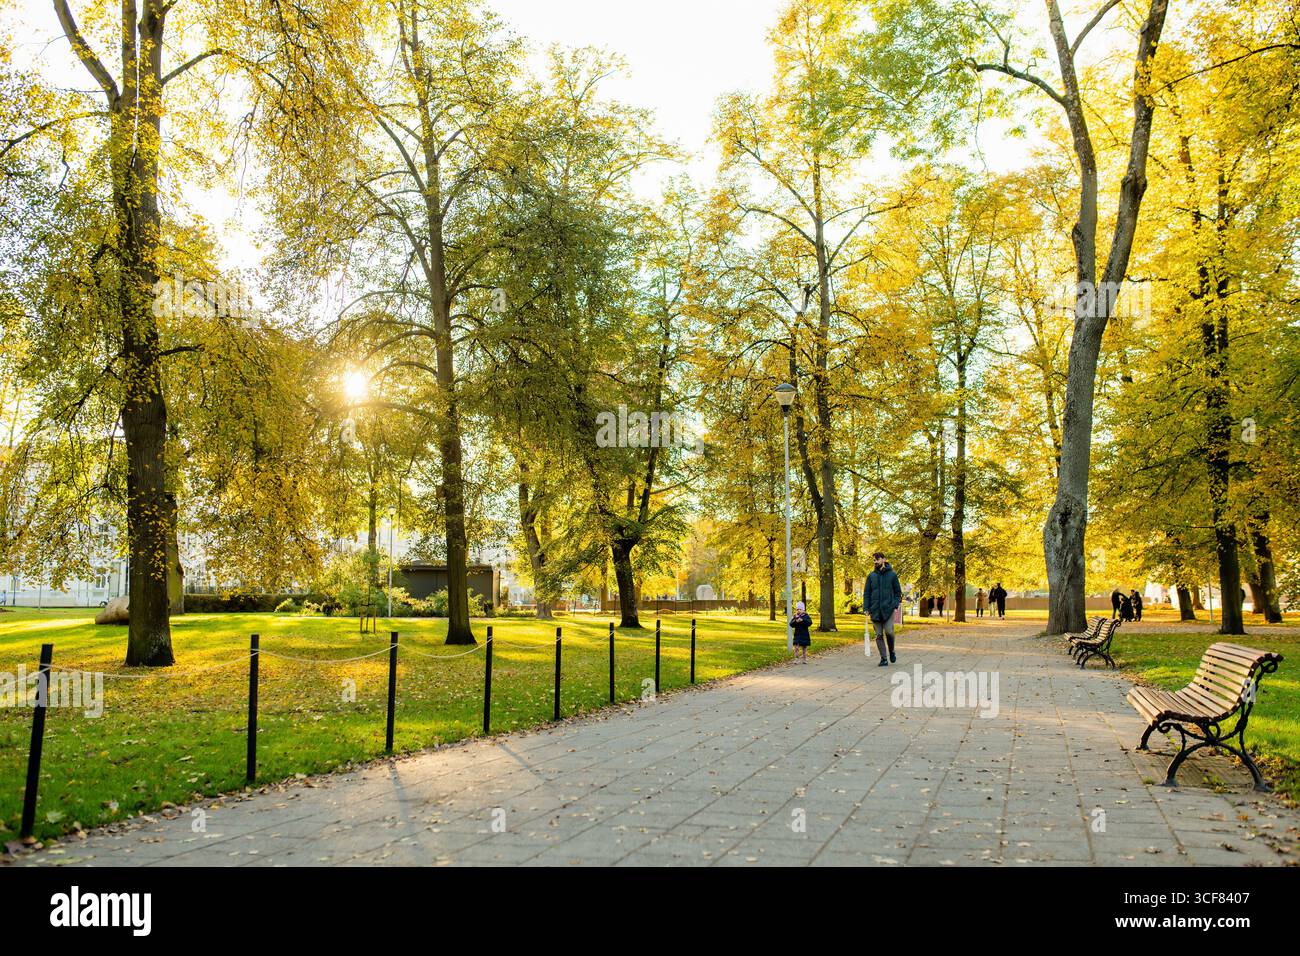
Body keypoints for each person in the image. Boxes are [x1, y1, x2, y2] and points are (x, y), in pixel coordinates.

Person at [864, 551, 902, 667]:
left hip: (888, 609)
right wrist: (866, 607)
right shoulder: (871, 576)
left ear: (883, 559)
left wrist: (894, 605)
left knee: (889, 632)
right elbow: (867, 593)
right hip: (874, 610)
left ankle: (892, 651)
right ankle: (884, 658)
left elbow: (898, 592)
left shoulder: (892, 575)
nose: (875, 562)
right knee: (879, 635)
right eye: (874, 560)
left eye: (877, 559)